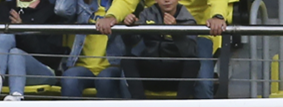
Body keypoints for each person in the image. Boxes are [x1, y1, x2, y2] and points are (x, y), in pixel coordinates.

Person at [94, 0, 228, 99]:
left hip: (197, 30)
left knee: (203, 82)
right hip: (152, 28)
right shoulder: (148, 13)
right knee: (126, 77)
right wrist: (112, 16)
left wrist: (218, 16)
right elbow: (126, 1)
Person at [0, 0, 67, 101]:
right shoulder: (2, 8)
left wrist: (23, 31)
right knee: (4, 37)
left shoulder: (51, 12)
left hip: (41, 70)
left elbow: (51, 55)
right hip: (6, 70)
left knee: (16, 53)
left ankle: (15, 96)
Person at [119, 0, 198, 99]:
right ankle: (139, 103)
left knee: (193, 62)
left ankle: (180, 105)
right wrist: (129, 27)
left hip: (174, 74)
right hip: (151, 71)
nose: (166, 0)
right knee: (127, 59)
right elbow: (131, 41)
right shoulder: (146, 14)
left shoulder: (187, 19)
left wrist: (176, 32)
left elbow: (190, 51)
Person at [57, 0, 126, 99]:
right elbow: (61, 9)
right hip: (82, 67)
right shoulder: (81, 4)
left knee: (105, 79)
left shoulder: (121, 6)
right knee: (69, 78)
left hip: (111, 66)